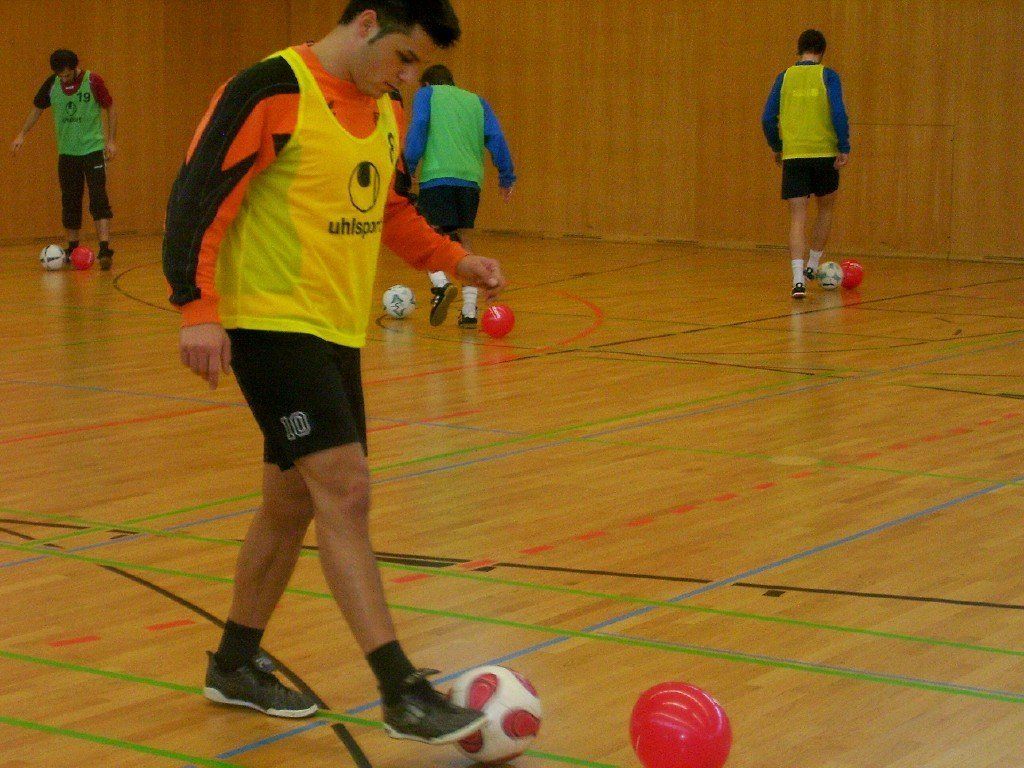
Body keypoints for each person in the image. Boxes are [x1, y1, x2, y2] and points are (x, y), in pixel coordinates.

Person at [162, 0, 505, 745]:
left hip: (336, 332)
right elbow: (195, 196)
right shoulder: (270, 90)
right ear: (366, 24)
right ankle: (401, 690)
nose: (408, 78)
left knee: (291, 502)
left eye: (417, 67)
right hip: (270, 324)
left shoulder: (383, 114)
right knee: (345, 490)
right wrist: (197, 306)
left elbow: (390, 211)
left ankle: (234, 662)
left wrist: (455, 260)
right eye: (404, 58)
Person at [404, 64, 516, 328]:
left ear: (426, 84)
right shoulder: (477, 101)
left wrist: (408, 165)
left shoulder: (427, 94)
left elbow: (419, 125)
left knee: (429, 235)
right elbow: (496, 137)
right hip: (470, 182)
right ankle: (469, 311)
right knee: (464, 241)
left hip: (437, 176)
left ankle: (441, 285)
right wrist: (506, 175)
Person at [761, 29, 850, 299]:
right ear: (822, 51)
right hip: (824, 153)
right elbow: (838, 112)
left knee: (797, 217)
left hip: (795, 154)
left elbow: (767, 118)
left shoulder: (784, 77)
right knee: (826, 209)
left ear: (798, 50)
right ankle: (813, 264)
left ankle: (798, 279)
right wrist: (843, 145)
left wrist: (778, 146)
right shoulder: (828, 76)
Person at [11, 49, 118, 270]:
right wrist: (22, 134)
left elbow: (110, 108)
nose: (64, 78)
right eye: (60, 75)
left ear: (75, 67)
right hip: (67, 154)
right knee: (70, 201)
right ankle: (72, 247)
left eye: (67, 74)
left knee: (98, 199)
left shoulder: (93, 81)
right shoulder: (52, 84)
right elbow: (37, 110)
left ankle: (105, 249)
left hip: (92, 150)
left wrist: (111, 140)